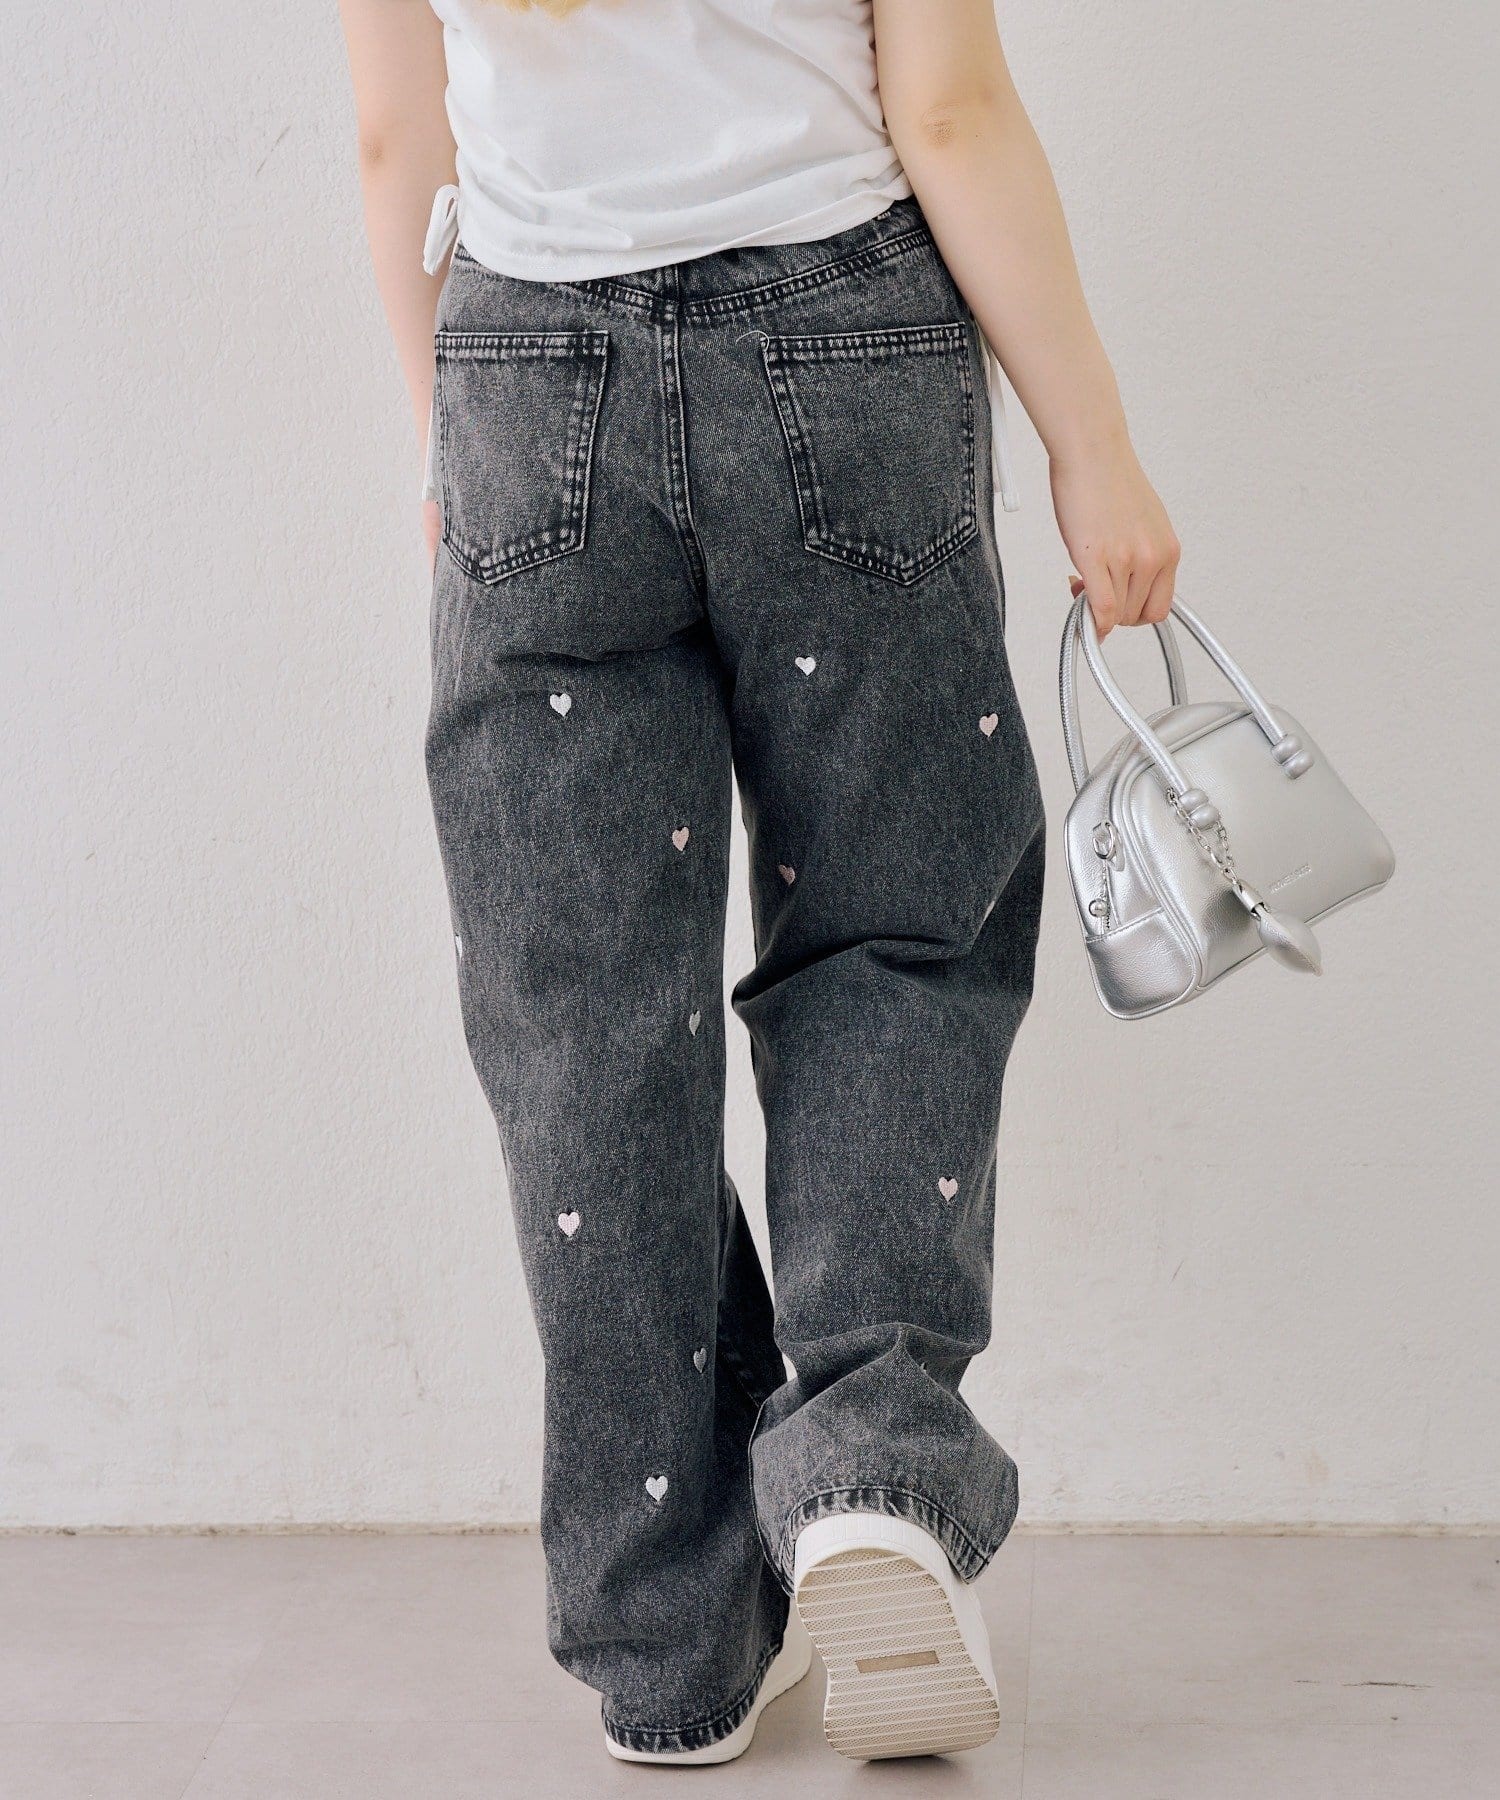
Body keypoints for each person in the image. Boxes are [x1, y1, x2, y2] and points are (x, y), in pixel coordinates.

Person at [338, 0, 1178, 1765]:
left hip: (525, 368)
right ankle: (870, 1478)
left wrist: (444, 437)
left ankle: (669, 1641)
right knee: (891, 931)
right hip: (846, 350)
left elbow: (393, 142)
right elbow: (950, 117)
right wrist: (1093, 443)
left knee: (584, 1026)